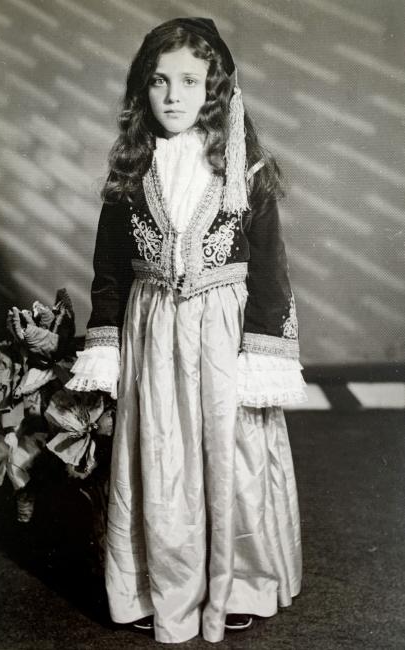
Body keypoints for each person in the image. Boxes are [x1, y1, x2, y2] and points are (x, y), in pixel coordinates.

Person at [66, 16, 306, 644]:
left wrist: (262, 355)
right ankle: (159, 583)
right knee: (161, 455)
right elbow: (110, 273)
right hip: (155, 337)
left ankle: (240, 581)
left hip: (224, 338)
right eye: (158, 82)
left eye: (190, 82)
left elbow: (272, 273)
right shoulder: (129, 175)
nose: (173, 96)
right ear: (142, 92)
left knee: (234, 458)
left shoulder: (246, 171)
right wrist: (106, 345)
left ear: (217, 88)